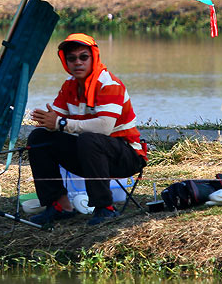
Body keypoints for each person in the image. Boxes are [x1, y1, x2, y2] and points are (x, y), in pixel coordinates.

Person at [28, 33, 147, 226]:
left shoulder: (109, 84)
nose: (78, 63)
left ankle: (105, 208)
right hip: (91, 154)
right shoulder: (69, 85)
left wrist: (60, 123)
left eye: (84, 57)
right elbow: (54, 120)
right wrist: (47, 121)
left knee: (89, 138)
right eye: (72, 58)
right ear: (65, 62)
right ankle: (59, 205)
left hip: (127, 157)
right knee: (39, 137)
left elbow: (104, 128)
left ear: (94, 57)